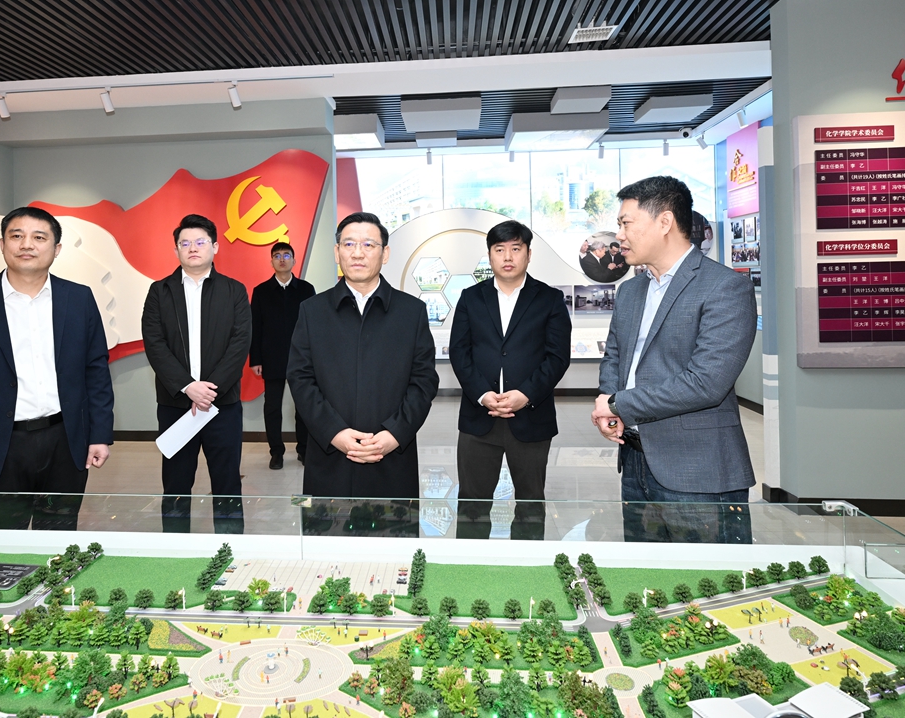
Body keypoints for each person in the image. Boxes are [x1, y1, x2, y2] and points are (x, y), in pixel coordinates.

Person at [590, 176, 756, 543]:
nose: (620, 235)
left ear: (664, 222)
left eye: (626, 223)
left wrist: (618, 404)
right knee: (646, 574)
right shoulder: (631, 290)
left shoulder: (725, 287)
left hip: (698, 472)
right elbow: (615, 356)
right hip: (635, 461)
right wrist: (608, 401)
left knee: (710, 577)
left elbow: (706, 383)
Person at [0, 206, 114, 530]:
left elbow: (95, 371)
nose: (27, 244)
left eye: (39, 237)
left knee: (58, 538)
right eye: (17, 236)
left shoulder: (79, 299)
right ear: (2, 244)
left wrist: (100, 434)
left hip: (64, 443)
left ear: (56, 248)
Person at [287, 211, 438, 498]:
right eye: (349, 244)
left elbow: (424, 381)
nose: (358, 253)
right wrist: (334, 433)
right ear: (337, 252)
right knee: (329, 524)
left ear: (385, 254)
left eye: (369, 244)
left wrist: (394, 434)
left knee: (394, 524)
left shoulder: (411, 312)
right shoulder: (312, 311)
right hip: (330, 453)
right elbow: (300, 378)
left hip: (392, 454)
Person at [449, 220, 571, 540]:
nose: (507, 257)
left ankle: (526, 565)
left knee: (530, 504)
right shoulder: (471, 298)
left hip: (531, 418)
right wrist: (482, 394)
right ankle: (470, 564)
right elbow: (460, 353)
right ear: (490, 255)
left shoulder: (549, 299)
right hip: (479, 418)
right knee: (472, 505)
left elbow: (557, 357)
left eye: (516, 249)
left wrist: (526, 394)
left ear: (528, 254)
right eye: (499, 249)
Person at [141, 214, 251, 533]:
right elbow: (155, 344)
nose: (192, 248)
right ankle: (176, 550)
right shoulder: (159, 291)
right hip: (176, 406)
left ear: (215, 247)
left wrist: (208, 391)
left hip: (222, 405)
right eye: (185, 243)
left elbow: (240, 343)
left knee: (227, 482)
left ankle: (230, 548)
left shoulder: (234, 291)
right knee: (176, 483)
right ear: (176, 249)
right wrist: (188, 387)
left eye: (200, 242)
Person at [249, 241, 315, 470]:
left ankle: (304, 450)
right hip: (271, 357)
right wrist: (255, 359)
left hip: (302, 359)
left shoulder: (306, 290)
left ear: (294, 260)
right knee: (272, 408)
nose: (282, 259)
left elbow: (313, 326)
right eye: (277, 256)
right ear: (272, 262)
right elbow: (255, 327)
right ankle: (276, 452)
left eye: (286, 255)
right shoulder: (261, 291)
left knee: (303, 408)